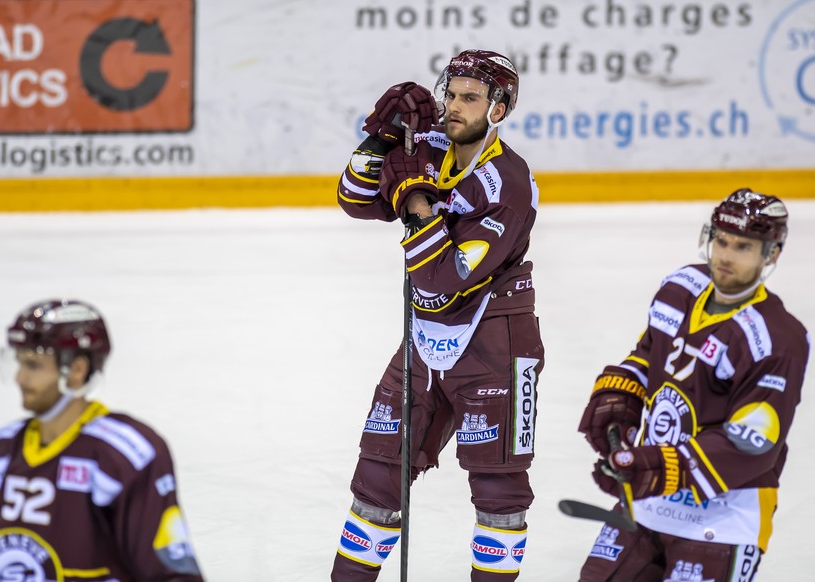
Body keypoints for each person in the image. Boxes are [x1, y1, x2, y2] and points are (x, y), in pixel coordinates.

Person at [332, 49, 544, 581]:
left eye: (469, 98)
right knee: (378, 470)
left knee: (498, 487)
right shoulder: (428, 147)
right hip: (426, 337)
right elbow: (353, 198)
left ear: (498, 109)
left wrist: (417, 200)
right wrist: (380, 139)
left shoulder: (509, 185)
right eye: (450, 94)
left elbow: (441, 278)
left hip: (498, 343)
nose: (452, 106)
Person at [577, 189, 809, 581]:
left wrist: (657, 466)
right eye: (721, 240)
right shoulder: (681, 288)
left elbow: (751, 446)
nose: (726, 256)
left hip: (726, 515)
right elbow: (649, 355)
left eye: (743, 247)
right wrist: (621, 396)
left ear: (771, 255)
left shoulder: (777, 338)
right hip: (649, 501)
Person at [0, 299, 204, 581]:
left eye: (33, 365)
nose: (20, 377)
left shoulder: (124, 456)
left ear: (77, 370)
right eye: (19, 363)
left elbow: (170, 573)